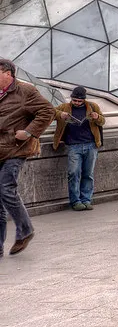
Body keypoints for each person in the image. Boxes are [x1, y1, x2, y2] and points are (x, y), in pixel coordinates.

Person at [0, 58, 56, 255]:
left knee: (6, 189)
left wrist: (29, 132)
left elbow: (48, 111)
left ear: (8, 73)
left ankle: (25, 230)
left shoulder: (26, 91)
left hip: (16, 148)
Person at [52, 85, 106, 211]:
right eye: (74, 100)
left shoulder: (93, 106)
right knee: (73, 173)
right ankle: (75, 201)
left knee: (88, 174)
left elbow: (103, 121)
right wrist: (61, 115)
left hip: (91, 144)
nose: (76, 103)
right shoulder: (64, 107)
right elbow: (50, 112)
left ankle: (86, 199)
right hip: (73, 146)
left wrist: (97, 117)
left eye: (79, 101)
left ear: (84, 100)